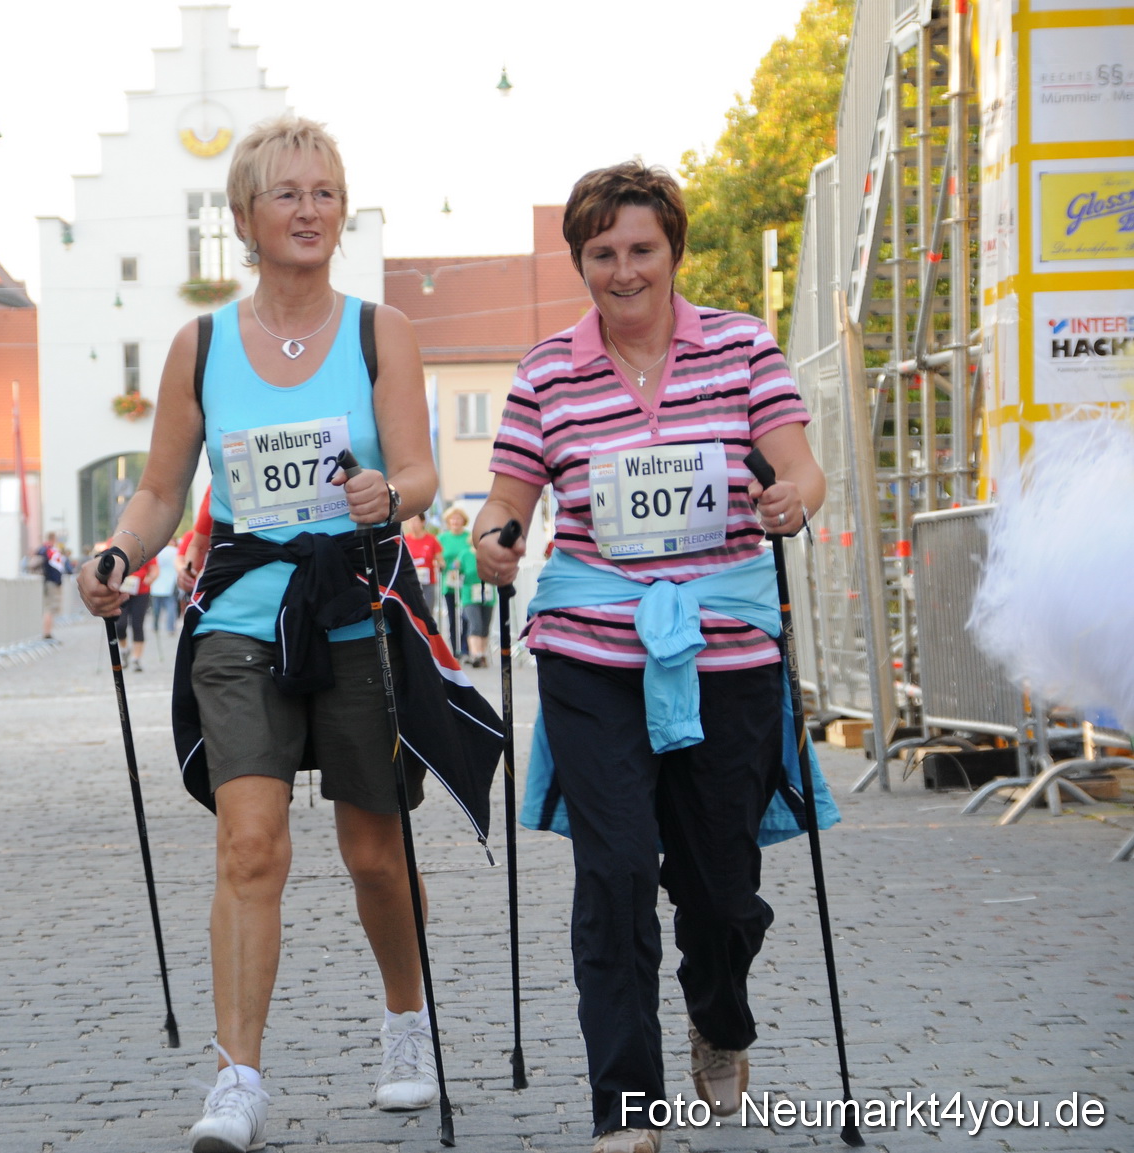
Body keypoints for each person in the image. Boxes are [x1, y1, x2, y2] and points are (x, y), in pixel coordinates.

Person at [76, 114, 496, 1153]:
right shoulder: (202, 344)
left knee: (373, 850)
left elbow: (421, 476)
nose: (307, 211)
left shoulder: (377, 331)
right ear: (244, 220)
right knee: (249, 843)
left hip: (356, 602)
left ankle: (406, 1021)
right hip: (241, 616)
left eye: (323, 193)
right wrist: (118, 554)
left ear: (340, 211)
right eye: (285, 194)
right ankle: (238, 1077)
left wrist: (379, 494)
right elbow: (162, 492)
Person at [471, 161, 826, 1153]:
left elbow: (797, 466)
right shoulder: (547, 371)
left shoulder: (744, 347)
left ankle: (719, 1016)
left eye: (641, 250)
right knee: (616, 872)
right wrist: (492, 539)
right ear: (580, 260)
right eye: (602, 254)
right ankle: (626, 1108)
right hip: (590, 651)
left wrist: (792, 496)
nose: (623, 272)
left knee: (719, 887)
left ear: (672, 251)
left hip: (726, 646)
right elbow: (509, 496)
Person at [114, 540, 159, 672]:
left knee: (137, 625)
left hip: (141, 592)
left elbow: (155, 569)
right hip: (121, 591)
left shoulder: (145, 547)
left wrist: (150, 578)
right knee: (120, 625)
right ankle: (124, 650)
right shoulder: (116, 543)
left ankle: (136, 659)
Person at [455, 538, 496, 669]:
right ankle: (475, 654)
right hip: (470, 594)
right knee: (475, 623)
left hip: (487, 593)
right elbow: (455, 569)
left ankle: (482, 654)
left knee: (485, 625)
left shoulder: (491, 555)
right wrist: (454, 567)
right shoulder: (465, 554)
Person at [400, 513, 443, 632]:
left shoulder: (431, 539)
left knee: (427, 611)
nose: (412, 524)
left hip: (428, 582)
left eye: (415, 521)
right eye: (410, 521)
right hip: (411, 582)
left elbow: (440, 559)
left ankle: (428, 635)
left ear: (423, 522)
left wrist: (440, 565)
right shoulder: (405, 539)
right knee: (412, 611)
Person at [436, 506, 470, 657]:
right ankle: (455, 647)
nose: (455, 521)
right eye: (452, 519)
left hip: (467, 582)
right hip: (449, 581)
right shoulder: (442, 538)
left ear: (463, 521)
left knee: (467, 616)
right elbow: (438, 557)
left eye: (458, 518)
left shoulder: (469, 537)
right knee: (452, 617)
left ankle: (465, 646)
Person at [35, 531, 70, 640]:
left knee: (49, 608)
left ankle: (48, 632)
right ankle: (47, 633)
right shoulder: (49, 550)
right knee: (50, 608)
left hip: (49, 581)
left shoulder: (44, 550)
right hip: (52, 581)